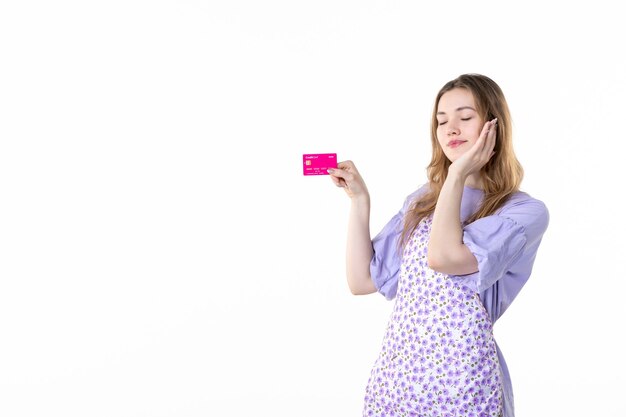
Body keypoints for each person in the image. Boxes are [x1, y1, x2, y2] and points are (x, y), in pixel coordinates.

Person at [328, 74, 549, 417]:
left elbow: (443, 257)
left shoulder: (523, 212)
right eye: (441, 121)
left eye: (465, 117)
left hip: (464, 387)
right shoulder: (422, 200)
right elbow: (362, 281)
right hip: (397, 384)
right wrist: (360, 201)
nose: (450, 129)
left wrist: (457, 175)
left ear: (494, 126)